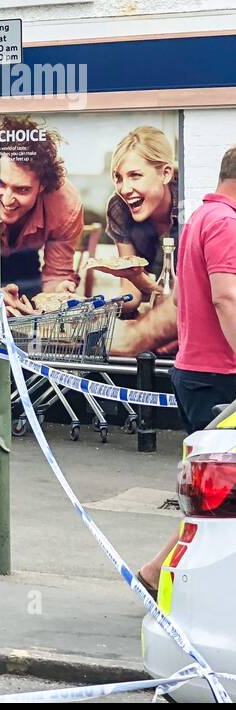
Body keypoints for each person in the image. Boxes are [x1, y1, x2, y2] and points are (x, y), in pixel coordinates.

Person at [137, 145, 236, 597]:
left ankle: (161, 571)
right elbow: (226, 298)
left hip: (197, 370)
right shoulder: (226, 224)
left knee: (216, 493)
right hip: (220, 375)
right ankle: (162, 573)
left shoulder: (200, 218)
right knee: (216, 496)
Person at [0, 116, 85, 316]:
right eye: (0, 184)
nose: (7, 199)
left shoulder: (66, 207)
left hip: (26, 262)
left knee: (30, 315)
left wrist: (58, 293)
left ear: (42, 186)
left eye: (22, 190)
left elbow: (56, 276)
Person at [87, 126, 179, 315]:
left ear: (165, 173)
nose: (124, 189)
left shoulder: (190, 203)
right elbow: (131, 293)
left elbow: (189, 297)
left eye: (135, 175)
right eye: (119, 178)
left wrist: (144, 282)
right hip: (163, 310)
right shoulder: (119, 208)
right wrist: (94, 309)